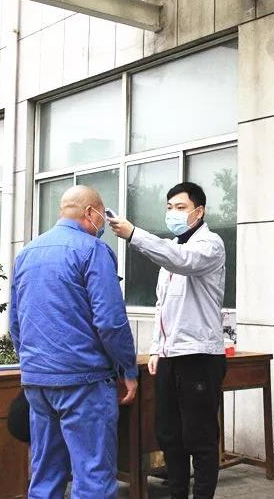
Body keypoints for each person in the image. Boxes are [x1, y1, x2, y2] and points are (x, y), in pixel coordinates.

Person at [9, 185, 138, 499]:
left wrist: (33, 365)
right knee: (93, 476)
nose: (103, 223)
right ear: (90, 212)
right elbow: (110, 321)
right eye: (102, 216)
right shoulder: (93, 250)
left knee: (45, 473)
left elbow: (15, 322)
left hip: (38, 383)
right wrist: (128, 369)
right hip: (84, 381)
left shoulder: (26, 253)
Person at [108, 182, 226, 499]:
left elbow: (182, 261)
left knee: (199, 436)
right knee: (169, 435)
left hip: (199, 354)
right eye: (169, 207)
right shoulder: (174, 247)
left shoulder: (210, 245)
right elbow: (164, 306)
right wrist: (156, 349)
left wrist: (134, 234)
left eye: (181, 207)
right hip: (170, 356)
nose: (173, 213)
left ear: (199, 212)